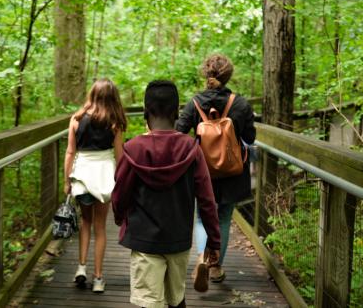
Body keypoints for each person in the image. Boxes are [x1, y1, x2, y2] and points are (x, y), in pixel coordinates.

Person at [112, 80, 221, 308]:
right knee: (176, 299)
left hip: (144, 240)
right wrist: (214, 240)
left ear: (145, 113)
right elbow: (207, 200)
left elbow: (120, 193)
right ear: (176, 113)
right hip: (178, 240)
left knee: (148, 303)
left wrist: (120, 217)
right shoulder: (192, 149)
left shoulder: (133, 149)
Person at [175, 54, 256, 283]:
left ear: (206, 73)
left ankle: (201, 258)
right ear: (228, 75)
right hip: (233, 173)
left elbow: (179, 133)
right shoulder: (240, 104)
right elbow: (250, 136)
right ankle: (216, 267)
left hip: (202, 172)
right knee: (223, 218)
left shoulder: (194, 103)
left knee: (201, 217)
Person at [64, 78, 127, 293]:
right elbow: (120, 156)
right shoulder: (114, 123)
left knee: (85, 222)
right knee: (101, 228)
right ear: (112, 98)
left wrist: (67, 180)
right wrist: (122, 181)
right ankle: (98, 278)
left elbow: (70, 152)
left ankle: (81, 267)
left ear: (92, 95)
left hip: (82, 173)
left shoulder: (76, 119)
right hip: (103, 175)